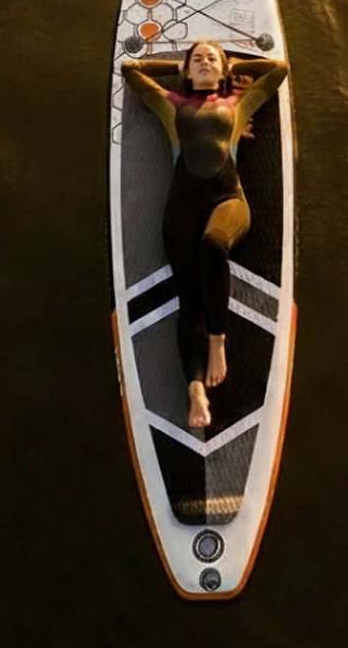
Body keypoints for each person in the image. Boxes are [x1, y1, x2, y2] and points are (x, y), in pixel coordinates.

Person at [121, 39, 289, 430]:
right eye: (196, 59)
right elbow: (132, 71)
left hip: (228, 200)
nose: (203, 62)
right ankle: (194, 386)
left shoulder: (238, 104)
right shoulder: (171, 105)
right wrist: (177, 66)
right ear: (187, 70)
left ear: (224, 69)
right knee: (188, 298)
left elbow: (278, 69)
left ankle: (218, 341)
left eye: (211, 58)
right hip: (181, 210)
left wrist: (230, 64)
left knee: (214, 245)